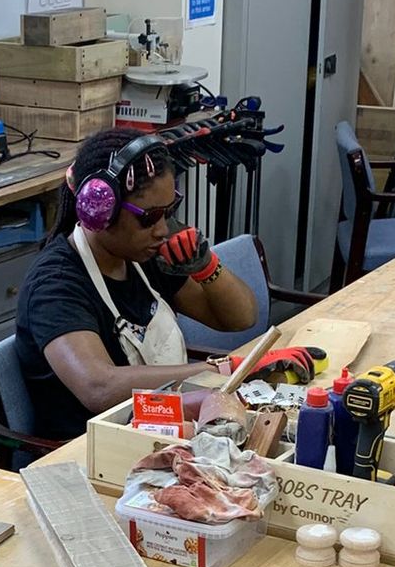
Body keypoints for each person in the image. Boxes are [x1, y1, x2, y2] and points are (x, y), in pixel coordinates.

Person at [14, 126, 260, 440]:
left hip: (160, 429)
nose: (163, 230)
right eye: (149, 217)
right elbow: (99, 387)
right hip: (90, 449)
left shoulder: (143, 257)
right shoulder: (56, 286)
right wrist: (217, 371)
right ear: (100, 210)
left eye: (169, 211)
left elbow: (239, 319)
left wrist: (206, 266)